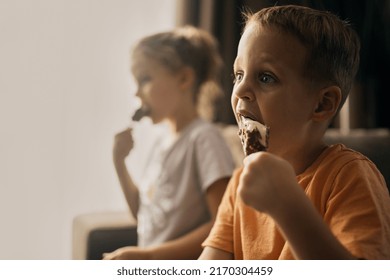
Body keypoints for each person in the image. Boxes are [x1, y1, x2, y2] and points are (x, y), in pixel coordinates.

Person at [199, 5, 390, 260]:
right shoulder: (240, 183)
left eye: (266, 77)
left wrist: (288, 208)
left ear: (322, 104)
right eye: (238, 75)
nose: (241, 89)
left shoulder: (348, 177)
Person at [103, 26, 235, 260]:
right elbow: (142, 214)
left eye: (145, 79)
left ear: (184, 78)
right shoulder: (161, 142)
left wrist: (150, 256)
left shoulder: (204, 139)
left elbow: (225, 223)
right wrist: (119, 162)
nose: (136, 93)